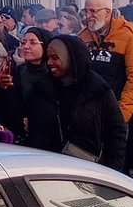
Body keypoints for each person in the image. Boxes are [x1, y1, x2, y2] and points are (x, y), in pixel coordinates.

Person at [39, 33, 127, 168]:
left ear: (70, 58)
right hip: (45, 165)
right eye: (48, 58)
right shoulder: (43, 87)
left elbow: (116, 130)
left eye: (55, 58)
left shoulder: (97, 90)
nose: (49, 62)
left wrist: (111, 168)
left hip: (85, 169)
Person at [78, 0, 133, 151]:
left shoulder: (131, 35)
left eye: (93, 11)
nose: (88, 16)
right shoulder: (83, 37)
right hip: (86, 117)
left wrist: (119, 116)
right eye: (86, 11)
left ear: (107, 12)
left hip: (114, 117)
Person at [0, 27, 51, 143]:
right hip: (17, 139)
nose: (25, 47)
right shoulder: (16, 72)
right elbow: (4, 109)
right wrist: (3, 89)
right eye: (23, 42)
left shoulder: (53, 75)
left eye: (33, 43)